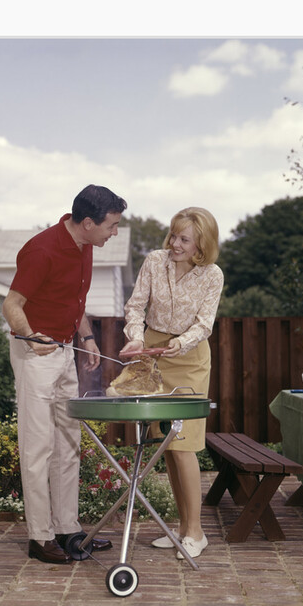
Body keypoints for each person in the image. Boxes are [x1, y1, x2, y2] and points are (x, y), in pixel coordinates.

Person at [2, 184, 128, 564]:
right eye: (112, 225)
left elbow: (76, 300)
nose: (115, 232)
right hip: (35, 354)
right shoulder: (42, 250)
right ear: (88, 223)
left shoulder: (85, 246)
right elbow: (12, 304)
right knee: (39, 448)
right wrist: (29, 335)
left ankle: (68, 529)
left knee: (68, 446)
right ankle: (40, 538)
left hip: (64, 352)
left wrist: (86, 336)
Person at [119, 207, 223, 559]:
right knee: (166, 444)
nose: (174, 243)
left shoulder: (212, 275)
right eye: (173, 235)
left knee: (184, 443)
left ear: (201, 244)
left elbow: (205, 324)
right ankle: (180, 528)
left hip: (190, 359)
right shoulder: (154, 261)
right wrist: (136, 338)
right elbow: (135, 307)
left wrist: (178, 344)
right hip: (152, 353)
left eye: (184, 239)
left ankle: (196, 532)